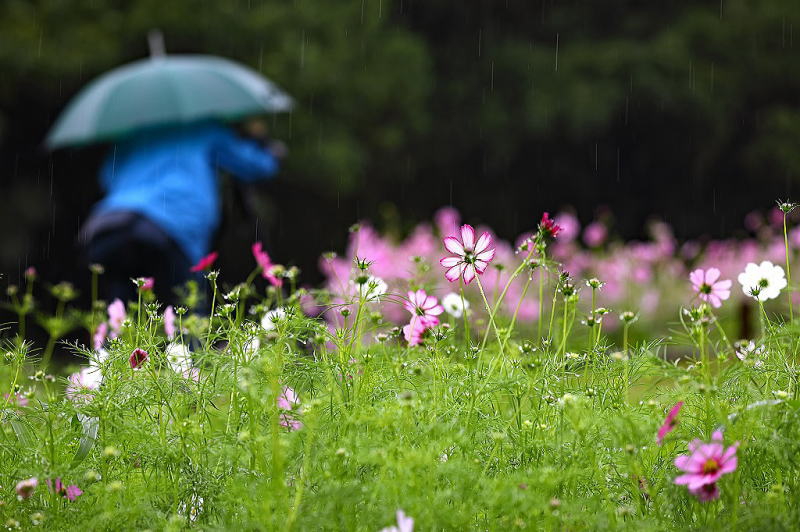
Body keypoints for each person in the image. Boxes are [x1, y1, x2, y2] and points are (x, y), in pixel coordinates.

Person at [81, 119, 284, 305]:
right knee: (187, 312)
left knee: (120, 308)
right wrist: (265, 145)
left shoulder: (131, 134)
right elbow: (256, 166)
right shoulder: (203, 127)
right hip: (172, 226)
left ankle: (114, 341)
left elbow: (106, 177)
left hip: (111, 224)